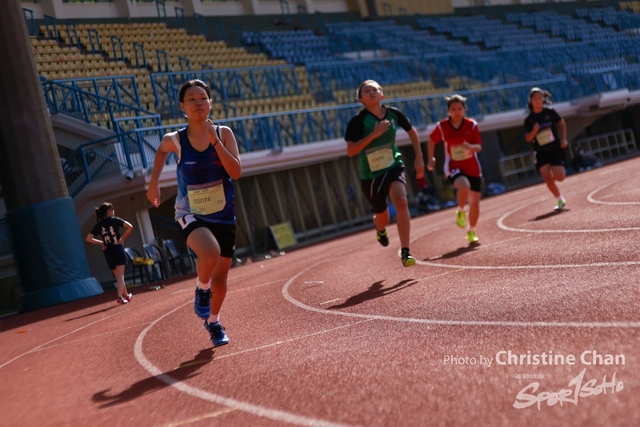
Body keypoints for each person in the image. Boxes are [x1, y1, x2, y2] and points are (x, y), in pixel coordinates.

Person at [146, 79, 241, 348]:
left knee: (221, 278)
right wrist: (153, 183)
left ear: (210, 103)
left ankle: (214, 322)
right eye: (191, 99)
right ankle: (201, 289)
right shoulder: (175, 139)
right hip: (190, 212)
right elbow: (161, 151)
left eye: (202, 98)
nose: (198, 103)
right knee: (209, 252)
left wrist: (215, 142)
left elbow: (236, 172)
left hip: (223, 214)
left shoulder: (224, 133)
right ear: (182, 107)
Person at [345, 80, 424, 267]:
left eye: (375, 89)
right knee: (383, 218)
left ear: (382, 95)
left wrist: (419, 158)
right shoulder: (358, 121)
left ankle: (406, 251)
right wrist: (373, 135)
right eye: (366, 91)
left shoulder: (393, 114)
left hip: (393, 165)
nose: (371, 92)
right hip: (371, 175)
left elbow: (412, 132)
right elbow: (351, 151)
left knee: (401, 201)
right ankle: (380, 229)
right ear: (360, 99)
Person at [427, 94, 482, 244]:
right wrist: (431, 158)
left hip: (473, 168)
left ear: (464, 109)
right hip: (453, 166)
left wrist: (470, 147)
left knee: (475, 203)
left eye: (459, 109)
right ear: (448, 111)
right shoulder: (442, 126)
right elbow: (431, 140)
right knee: (464, 186)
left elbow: (478, 147)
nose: (457, 112)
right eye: (453, 109)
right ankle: (461, 211)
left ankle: (472, 231)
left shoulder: (472, 125)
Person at [524, 87, 568, 211]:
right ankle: (560, 199)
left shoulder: (550, 112)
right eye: (535, 99)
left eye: (540, 98)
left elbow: (561, 123)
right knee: (547, 178)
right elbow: (528, 138)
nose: (538, 101)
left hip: (554, 148)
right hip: (540, 152)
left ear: (543, 99)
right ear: (531, 101)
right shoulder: (529, 120)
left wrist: (564, 139)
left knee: (560, 177)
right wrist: (534, 131)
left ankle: (554, 174)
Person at [86, 202, 133, 305]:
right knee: (120, 275)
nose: (113, 211)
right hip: (117, 249)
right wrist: (122, 239)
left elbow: (88, 238)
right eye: (112, 209)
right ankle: (119, 297)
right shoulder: (115, 220)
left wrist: (102, 243)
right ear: (108, 211)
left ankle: (126, 295)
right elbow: (130, 226)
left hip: (108, 252)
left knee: (118, 276)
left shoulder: (99, 224)